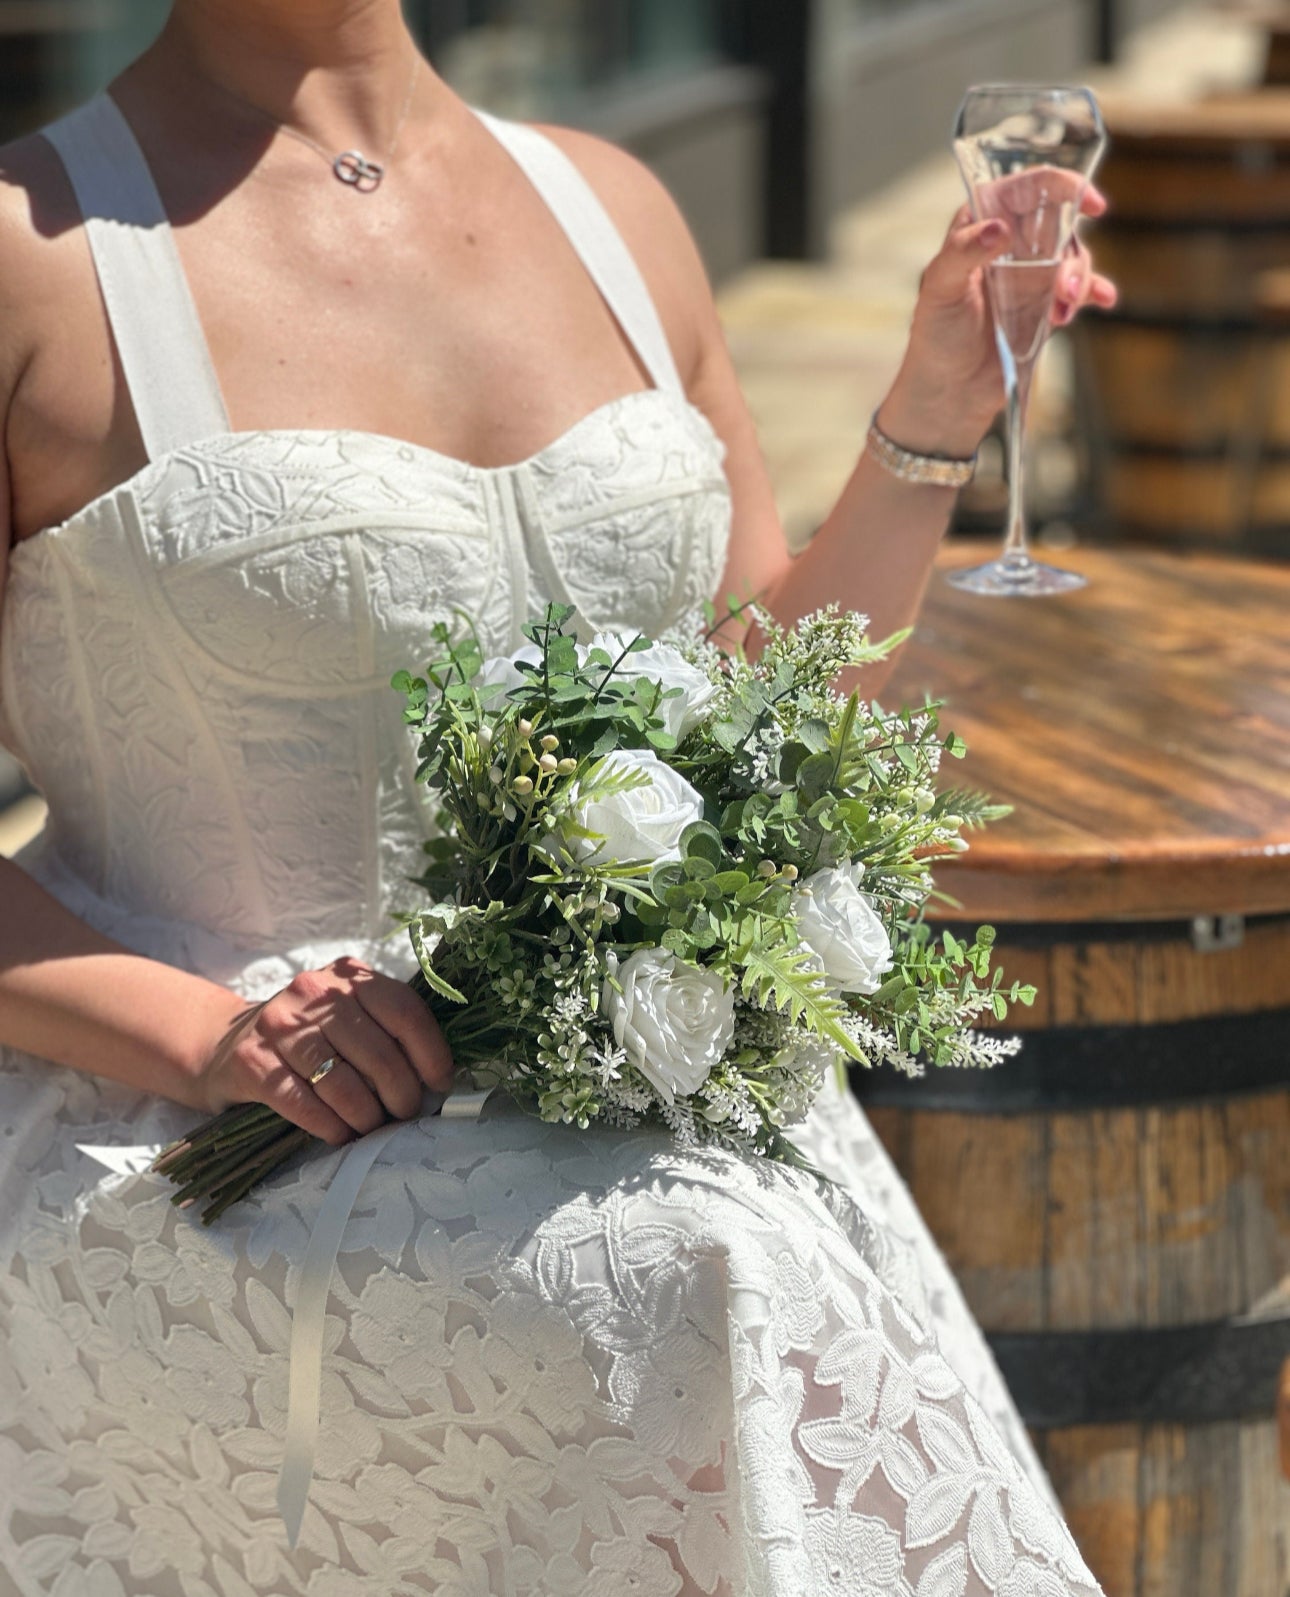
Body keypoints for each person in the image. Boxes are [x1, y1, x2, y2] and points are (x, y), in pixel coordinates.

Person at [0, 3, 1117, 1592]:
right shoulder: (24, 260)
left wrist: (939, 402)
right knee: (701, 1276)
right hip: (202, 1127)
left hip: (639, 1080)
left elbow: (759, 706)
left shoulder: (615, 206)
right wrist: (204, 1038)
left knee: (725, 1263)